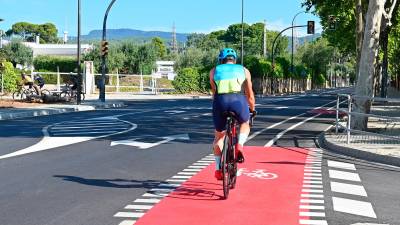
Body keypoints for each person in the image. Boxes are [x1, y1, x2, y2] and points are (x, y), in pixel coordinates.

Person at [209, 48, 256, 180]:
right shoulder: (244, 70)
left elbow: (214, 93)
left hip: (220, 101)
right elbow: (250, 95)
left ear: (221, 60)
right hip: (238, 101)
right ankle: (239, 145)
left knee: (219, 137)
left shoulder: (214, 71)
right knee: (245, 123)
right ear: (234, 60)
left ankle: (218, 169)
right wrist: (252, 109)